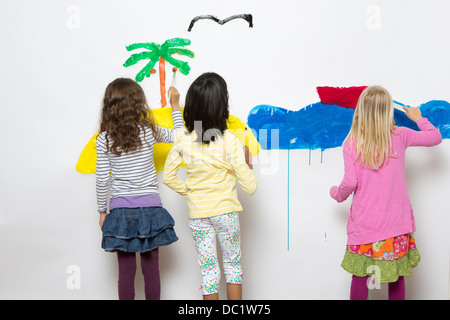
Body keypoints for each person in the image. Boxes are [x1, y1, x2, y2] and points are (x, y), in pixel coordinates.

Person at [330, 85, 442, 300]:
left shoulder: (352, 143)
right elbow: (434, 137)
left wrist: (337, 193)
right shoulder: (401, 135)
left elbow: (349, 183)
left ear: (362, 110)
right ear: (387, 111)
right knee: (396, 276)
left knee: (360, 276)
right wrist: (419, 118)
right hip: (395, 225)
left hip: (364, 226)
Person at [162, 72, 257, 300]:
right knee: (233, 267)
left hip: (198, 215)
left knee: (209, 272)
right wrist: (248, 163)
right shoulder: (231, 142)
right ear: (222, 104)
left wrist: (191, 192)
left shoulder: (183, 139)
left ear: (192, 105)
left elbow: (168, 177)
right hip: (226, 213)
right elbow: (251, 187)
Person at [96, 78, 182, 300]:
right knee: (151, 269)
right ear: (138, 103)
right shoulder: (149, 131)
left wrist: (102, 211)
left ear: (109, 106)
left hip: (121, 212)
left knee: (126, 273)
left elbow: (102, 180)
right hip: (151, 210)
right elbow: (180, 138)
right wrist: (175, 106)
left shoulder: (104, 139)